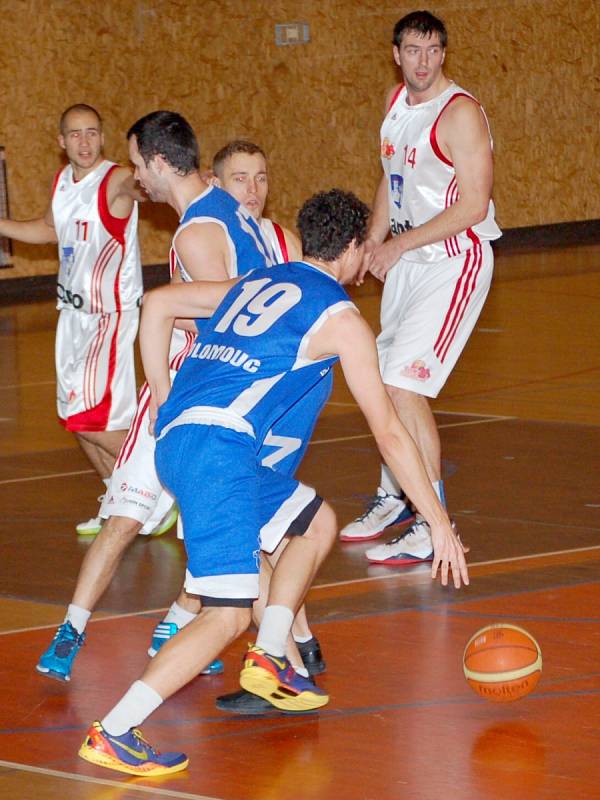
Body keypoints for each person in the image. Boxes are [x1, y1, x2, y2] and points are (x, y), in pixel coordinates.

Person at [77, 188, 468, 777]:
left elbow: (158, 303)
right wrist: (438, 522)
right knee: (227, 613)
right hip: (220, 449)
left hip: (182, 442)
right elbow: (389, 432)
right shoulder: (339, 317)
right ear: (357, 249)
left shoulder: (256, 282)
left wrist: (161, 393)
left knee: (315, 522)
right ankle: (116, 728)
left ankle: (270, 654)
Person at [35, 111, 273, 683]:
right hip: (204, 389)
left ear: (162, 163)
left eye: (140, 163)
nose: (136, 175)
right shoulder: (221, 210)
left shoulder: (196, 232)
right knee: (128, 514)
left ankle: (256, 642)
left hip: (200, 392)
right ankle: (77, 626)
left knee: (217, 528)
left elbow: (228, 315)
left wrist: (170, 358)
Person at [147, 140, 327, 716]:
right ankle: (295, 647)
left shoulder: (279, 238)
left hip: (256, 403)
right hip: (248, 399)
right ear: (217, 186)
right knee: (270, 527)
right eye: (240, 179)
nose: (253, 189)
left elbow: (220, 315)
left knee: (259, 527)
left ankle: (282, 658)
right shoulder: (220, 233)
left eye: (262, 177)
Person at [340, 11, 501, 566]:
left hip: (453, 259)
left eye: (434, 50)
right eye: (414, 49)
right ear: (396, 53)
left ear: (444, 53)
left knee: (405, 386)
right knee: (382, 385)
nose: (425, 61)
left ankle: (434, 522)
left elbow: (474, 205)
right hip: (410, 260)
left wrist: (399, 246)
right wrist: (370, 242)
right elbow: (393, 176)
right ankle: (397, 497)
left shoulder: (459, 114)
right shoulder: (394, 104)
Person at [0, 104, 143, 534]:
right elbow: (48, 229)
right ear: (61, 142)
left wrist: (178, 181)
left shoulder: (115, 180)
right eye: (75, 134)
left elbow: (142, 186)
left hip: (107, 316)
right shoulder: (63, 182)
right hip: (72, 316)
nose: (85, 142)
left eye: (92, 133)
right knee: (73, 419)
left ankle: (156, 495)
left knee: (91, 421)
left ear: (103, 137)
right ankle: (118, 500)